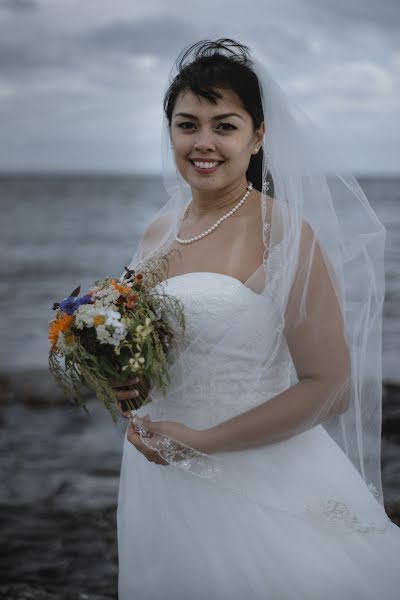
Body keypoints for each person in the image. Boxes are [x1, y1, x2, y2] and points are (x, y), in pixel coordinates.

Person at [114, 39, 400, 599]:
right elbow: (150, 351)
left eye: (224, 125)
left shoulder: (285, 234)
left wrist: (206, 441)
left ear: (258, 135)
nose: (203, 143)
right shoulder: (155, 232)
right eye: (186, 124)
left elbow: (332, 386)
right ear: (168, 130)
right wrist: (126, 384)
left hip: (253, 476)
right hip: (157, 473)